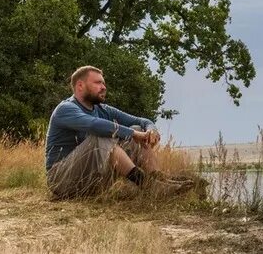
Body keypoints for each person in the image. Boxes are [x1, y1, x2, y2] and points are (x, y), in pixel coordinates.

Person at [44, 65, 192, 199]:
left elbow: (141, 121)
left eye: (103, 83)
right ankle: (148, 186)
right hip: (61, 180)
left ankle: (159, 180)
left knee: (137, 129)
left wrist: (150, 130)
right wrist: (133, 134)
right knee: (103, 136)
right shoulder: (66, 109)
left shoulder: (103, 109)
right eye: (97, 83)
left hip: (91, 181)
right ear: (80, 86)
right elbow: (94, 125)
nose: (103, 87)